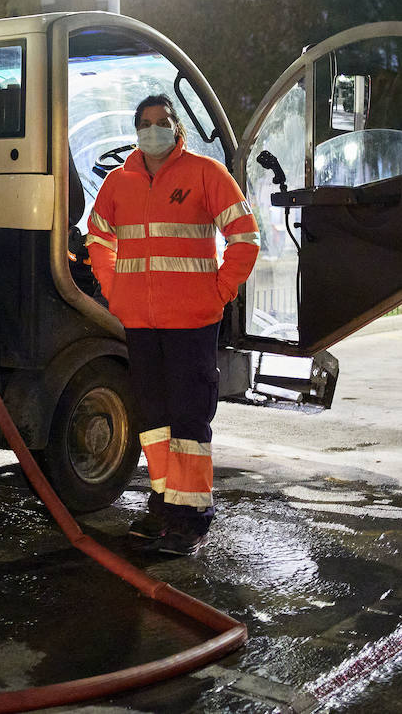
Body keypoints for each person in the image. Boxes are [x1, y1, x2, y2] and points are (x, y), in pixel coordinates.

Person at [85, 94, 259, 555]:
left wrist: (219, 290)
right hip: (141, 322)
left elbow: (245, 236)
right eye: (145, 122)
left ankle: (192, 515)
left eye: (162, 121)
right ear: (135, 129)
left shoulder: (205, 173)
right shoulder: (119, 182)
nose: (153, 128)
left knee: (188, 420)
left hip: (192, 323)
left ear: (177, 128)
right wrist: (113, 288)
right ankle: (164, 503)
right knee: (154, 420)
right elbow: (98, 237)